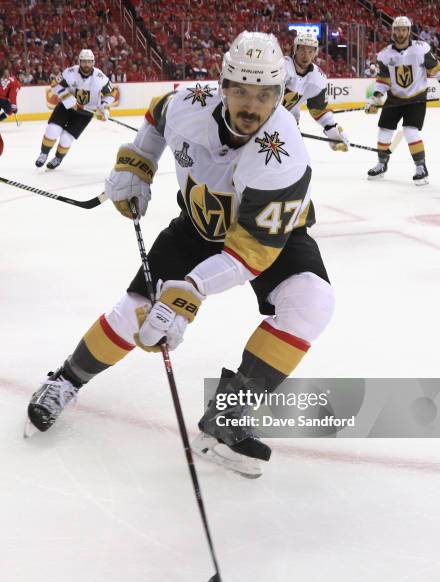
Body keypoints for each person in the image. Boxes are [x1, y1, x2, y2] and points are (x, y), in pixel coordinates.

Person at [25, 31, 335, 478]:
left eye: (265, 95)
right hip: (196, 226)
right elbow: (155, 116)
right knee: (134, 312)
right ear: (223, 86)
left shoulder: (283, 153)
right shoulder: (187, 103)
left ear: (280, 93)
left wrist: (189, 293)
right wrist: (138, 162)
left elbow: (251, 252)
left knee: (312, 302)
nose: (252, 106)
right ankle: (66, 379)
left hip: (268, 237)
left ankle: (227, 416)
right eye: (242, 92)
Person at [365, 16, 440, 185]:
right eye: (397, 29)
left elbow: (436, 68)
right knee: (384, 130)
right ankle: (382, 164)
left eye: (404, 29)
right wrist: (375, 98)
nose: (401, 33)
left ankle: (421, 167)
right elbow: (383, 80)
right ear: (393, 32)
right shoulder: (384, 55)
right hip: (394, 98)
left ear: (409, 31)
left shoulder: (420, 49)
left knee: (410, 130)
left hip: (416, 98)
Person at [35, 49, 115, 170]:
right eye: (84, 62)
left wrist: (104, 107)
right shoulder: (70, 72)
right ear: (79, 61)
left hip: (85, 113)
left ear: (93, 62)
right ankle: (44, 153)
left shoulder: (100, 78)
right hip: (65, 107)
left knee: (66, 139)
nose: (86, 65)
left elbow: (111, 93)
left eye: (89, 62)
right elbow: (55, 84)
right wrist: (67, 97)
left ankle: (58, 158)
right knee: (52, 130)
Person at [283, 31, 349, 153]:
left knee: (296, 164)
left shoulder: (317, 79)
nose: (306, 55)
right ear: (295, 49)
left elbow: (319, 108)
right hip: (258, 120)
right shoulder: (280, 67)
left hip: (287, 125)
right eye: (302, 49)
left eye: (310, 51)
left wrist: (333, 131)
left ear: (315, 53)